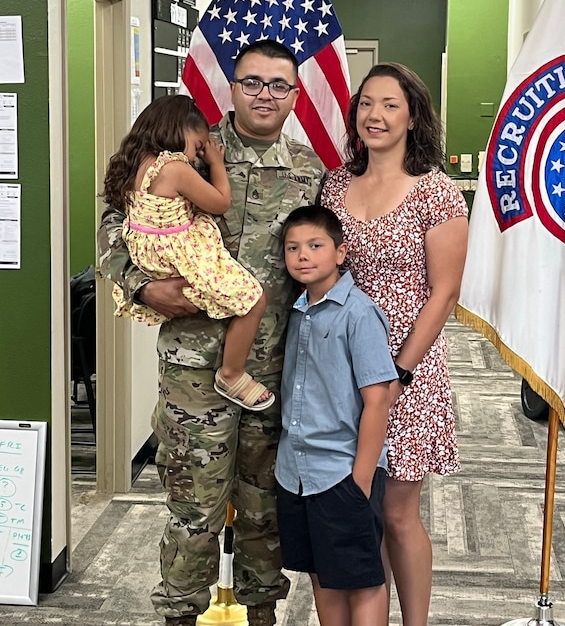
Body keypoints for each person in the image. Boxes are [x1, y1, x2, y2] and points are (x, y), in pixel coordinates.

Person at [97, 40, 325, 626]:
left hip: (272, 369)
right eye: (252, 82)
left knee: (261, 504)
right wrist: (142, 286)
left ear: (296, 95)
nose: (265, 95)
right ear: (231, 87)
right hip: (194, 370)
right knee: (193, 506)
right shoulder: (189, 151)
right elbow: (114, 224)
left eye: (279, 85)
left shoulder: (311, 173)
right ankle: (178, 613)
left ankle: (262, 612)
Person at [320, 63, 468, 626]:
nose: (375, 116)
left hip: (409, 369)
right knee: (360, 509)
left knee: (399, 511)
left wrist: (398, 370)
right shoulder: (336, 183)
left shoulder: (435, 190)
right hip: (341, 364)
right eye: (366, 104)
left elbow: (445, 291)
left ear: (412, 117)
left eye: (390, 105)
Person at [102, 94, 273, 410]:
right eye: (197, 146)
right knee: (254, 299)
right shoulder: (175, 168)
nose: (198, 155)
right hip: (180, 253)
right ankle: (232, 374)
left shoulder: (135, 164)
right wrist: (216, 163)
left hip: (151, 255)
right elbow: (220, 203)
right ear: (179, 130)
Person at [276, 205, 398, 626]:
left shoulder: (358, 314)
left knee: (362, 580)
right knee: (322, 578)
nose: (303, 256)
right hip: (296, 473)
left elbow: (379, 401)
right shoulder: (294, 312)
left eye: (315, 245)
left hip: (342, 473)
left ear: (341, 253)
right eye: (293, 248)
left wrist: (360, 481)